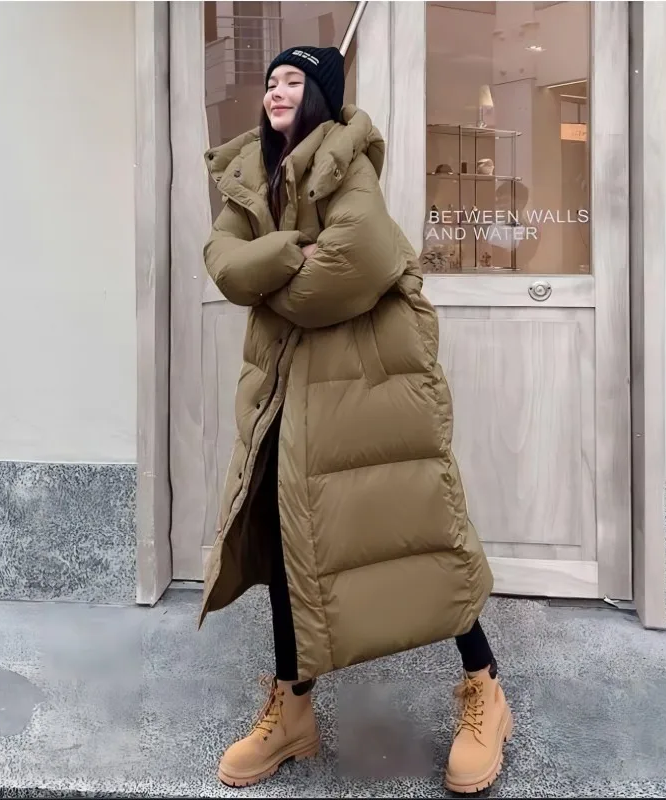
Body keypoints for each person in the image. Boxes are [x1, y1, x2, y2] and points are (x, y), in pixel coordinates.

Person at [198, 45, 513, 794]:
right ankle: (293, 709)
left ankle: (485, 689)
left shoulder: (347, 159)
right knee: (283, 542)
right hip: (284, 391)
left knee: (416, 537)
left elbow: (353, 265)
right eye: (271, 80)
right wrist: (287, 252)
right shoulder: (249, 173)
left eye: (294, 80)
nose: (277, 90)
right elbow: (224, 262)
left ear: (320, 96)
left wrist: (273, 278)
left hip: (366, 389)